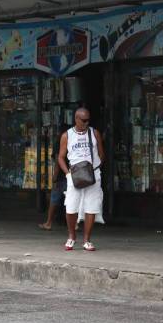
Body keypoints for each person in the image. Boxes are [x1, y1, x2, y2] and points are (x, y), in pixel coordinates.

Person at [56, 108, 105, 252]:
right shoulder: (67, 135)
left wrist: (95, 168)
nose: (86, 123)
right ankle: (71, 236)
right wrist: (67, 174)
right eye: (83, 120)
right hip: (75, 175)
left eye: (88, 120)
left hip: (93, 174)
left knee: (92, 207)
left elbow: (102, 154)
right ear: (76, 119)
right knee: (71, 207)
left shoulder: (94, 133)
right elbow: (60, 157)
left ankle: (87, 240)